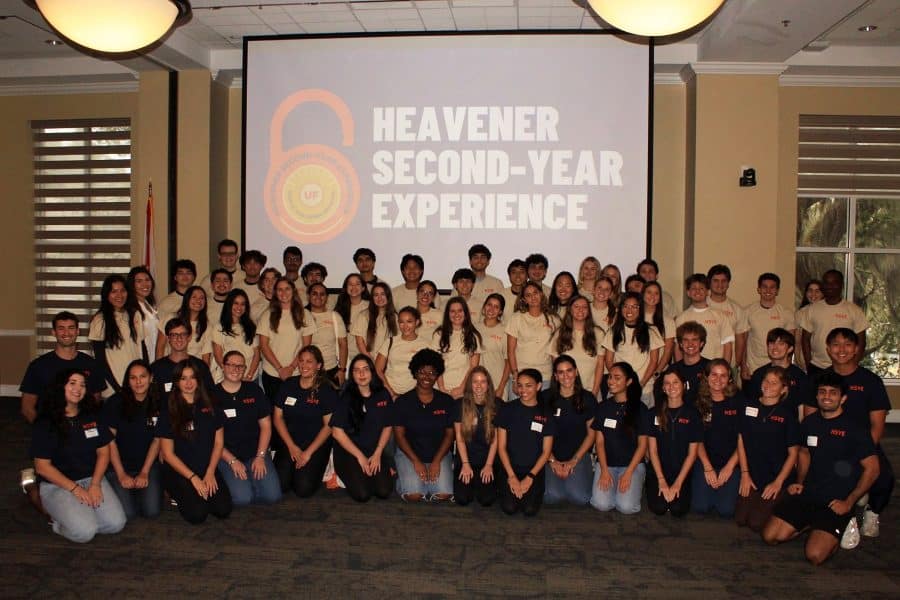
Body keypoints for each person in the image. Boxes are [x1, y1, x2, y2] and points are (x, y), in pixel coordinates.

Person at [762, 371, 879, 566]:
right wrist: (799, 483)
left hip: (837, 501)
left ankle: (848, 521)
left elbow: (873, 469)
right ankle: (810, 525)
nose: (826, 396)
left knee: (815, 556)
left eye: (833, 393)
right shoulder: (810, 423)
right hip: (810, 494)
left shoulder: (855, 428)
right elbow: (804, 453)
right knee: (770, 536)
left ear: (843, 398)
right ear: (816, 396)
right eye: (822, 392)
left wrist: (849, 501)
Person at [802, 328, 893, 538]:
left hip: (861, 445)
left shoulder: (871, 381)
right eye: (835, 344)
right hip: (827, 445)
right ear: (828, 349)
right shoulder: (819, 379)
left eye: (847, 345)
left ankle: (872, 511)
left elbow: (877, 426)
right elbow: (810, 421)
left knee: (883, 475)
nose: (841, 350)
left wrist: (858, 456)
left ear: (856, 349)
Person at [30, 369, 127, 542]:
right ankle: (52, 516)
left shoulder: (91, 416)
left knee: (116, 524)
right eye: (72, 383)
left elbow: (104, 451)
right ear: (61, 387)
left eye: (82, 385)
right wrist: (75, 489)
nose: (78, 388)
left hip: (91, 478)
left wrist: (96, 484)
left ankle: (78, 514)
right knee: (84, 532)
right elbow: (42, 467)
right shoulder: (45, 422)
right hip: (58, 484)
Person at [157, 360, 233, 524]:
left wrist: (211, 471)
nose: (189, 383)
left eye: (192, 377)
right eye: (183, 378)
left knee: (223, 510)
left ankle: (198, 494)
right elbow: (168, 455)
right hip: (181, 471)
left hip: (206, 468)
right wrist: (193, 478)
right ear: (177, 382)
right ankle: (175, 492)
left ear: (199, 380)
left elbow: (218, 443)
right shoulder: (168, 410)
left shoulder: (210, 404)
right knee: (197, 515)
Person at [736, 366, 800, 532]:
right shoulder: (748, 407)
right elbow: (741, 441)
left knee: (755, 523)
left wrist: (778, 482)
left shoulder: (787, 415)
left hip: (777, 476)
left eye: (774, 383)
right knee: (741, 519)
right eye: (766, 380)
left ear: (783, 389)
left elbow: (793, 454)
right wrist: (744, 474)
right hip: (753, 474)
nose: (768, 385)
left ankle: (786, 496)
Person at [212, 351, 281, 506]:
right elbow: (210, 436)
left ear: (244, 369)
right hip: (226, 455)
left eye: (240, 366)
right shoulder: (212, 395)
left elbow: (266, 426)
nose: (235, 369)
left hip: (255, 453)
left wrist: (261, 456)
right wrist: (232, 461)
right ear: (223, 366)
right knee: (243, 499)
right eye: (231, 365)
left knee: (273, 497)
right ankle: (232, 481)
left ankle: (247, 481)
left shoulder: (254, 390)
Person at [272, 345, 336, 497]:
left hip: (314, 445)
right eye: (301, 361)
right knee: (280, 485)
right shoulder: (288, 385)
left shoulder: (326, 390)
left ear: (318, 366)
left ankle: (322, 466)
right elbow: (277, 417)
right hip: (290, 442)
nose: (304, 365)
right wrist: (291, 446)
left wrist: (308, 453)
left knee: (303, 489)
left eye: (309, 362)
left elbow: (329, 426)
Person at [392, 349, 455, 502]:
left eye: (432, 373)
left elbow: (449, 435)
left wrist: (436, 462)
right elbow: (399, 436)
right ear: (415, 373)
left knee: (443, 495)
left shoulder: (446, 401)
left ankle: (423, 480)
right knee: (414, 495)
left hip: (438, 454)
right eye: (422, 372)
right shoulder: (403, 402)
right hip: (410, 454)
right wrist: (416, 462)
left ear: (437, 375)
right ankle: (404, 480)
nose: (427, 377)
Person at [20, 311, 104, 424]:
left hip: (80, 427)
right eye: (61, 328)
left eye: (71, 328)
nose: (66, 333)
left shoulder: (91, 364)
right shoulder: (38, 365)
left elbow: (95, 401)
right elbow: (27, 407)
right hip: (50, 428)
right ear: (53, 332)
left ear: (77, 331)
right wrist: (43, 430)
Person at [330, 354, 394, 502]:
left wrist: (378, 453)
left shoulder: (383, 394)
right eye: (356, 370)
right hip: (349, 451)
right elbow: (337, 433)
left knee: (383, 491)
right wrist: (360, 457)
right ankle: (342, 474)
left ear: (372, 372)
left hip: (373, 449)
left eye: (365, 369)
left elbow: (388, 425)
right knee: (363, 495)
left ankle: (369, 473)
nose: (361, 374)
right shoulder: (346, 396)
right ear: (351, 375)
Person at [103, 359, 162, 520]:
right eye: (133, 378)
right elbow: (110, 441)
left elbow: (157, 441)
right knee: (128, 513)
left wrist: (144, 472)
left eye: (142, 377)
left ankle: (139, 489)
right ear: (127, 380)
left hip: (148, 465)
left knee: (152, 512)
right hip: (119, 466)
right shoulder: (115, 403)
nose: (138, 382)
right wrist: (121, 474)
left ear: (150, 378)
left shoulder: (159, 402)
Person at [495, 369, 555, 516]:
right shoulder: (507, 409)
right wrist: (511, 476)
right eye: (520, 385)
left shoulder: (546, 413)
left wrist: (530, 477)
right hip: (510, 467)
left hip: (533, 469)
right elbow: (501, 447)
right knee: (509, 508)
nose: (523, 390)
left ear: (539, 386)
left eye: (529, 385)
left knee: (529, 510)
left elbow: (546, 451)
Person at [591, 362, 648, 514]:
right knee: (601, 505)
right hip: (607, 464)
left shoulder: (640, 408)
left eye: (617, 378)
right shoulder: (603, 407)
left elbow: (643, 445)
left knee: (626, 507)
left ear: (628, 381)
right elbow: (600, 442)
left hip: (632, 466)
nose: (611, 381)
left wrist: (628, 473)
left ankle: (634, 484)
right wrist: (603, 469)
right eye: (610, 377)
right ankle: (617, 490)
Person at [645, 368, 702, 517]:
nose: (672, 387)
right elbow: (652, 451)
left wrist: (678, 483)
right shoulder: (654, 413)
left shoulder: (693, 414)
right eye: (667, 383)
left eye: (676, 382)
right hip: (658, 472)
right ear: (663, 388)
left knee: (678, 510)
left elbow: (692, 454)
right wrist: (662, 481)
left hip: (682, 472)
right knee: (659, 508)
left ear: (683, 385)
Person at [691, 359, 742, 518]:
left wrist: (730, 467)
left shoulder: (738, 400)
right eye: (714, 374)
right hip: (705, 460)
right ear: (706, 377)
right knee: (700, 507)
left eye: (723, 376)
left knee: (726, 511)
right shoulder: (697, 400)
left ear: (730, 379)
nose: (718, 380)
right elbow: (696, 438)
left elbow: (745, 438)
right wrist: (707, 467)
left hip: (731, 462)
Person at [542, 355, 595, 506]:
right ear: (555, 376)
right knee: (552, 497)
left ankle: (577, 475)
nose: (566, 376)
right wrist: (551, 460)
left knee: (580, 498)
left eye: (569, 371)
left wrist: (574, 461)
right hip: (550, 456)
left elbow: (591, 434)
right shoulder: (545, 398)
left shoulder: (588, 398)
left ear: (576, 372)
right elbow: (539, 433)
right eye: (560, 372)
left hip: (577, 456)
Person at [799, 270, 868, 376]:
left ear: (841, 285)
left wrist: (853, 364)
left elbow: (861, 342)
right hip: (817, 367)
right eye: (826, 283)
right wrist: (809, 364)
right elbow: (805, 339)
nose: (830, 286)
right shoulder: (812, 309)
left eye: (834, 283)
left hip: (845, 368)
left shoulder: (854, 310)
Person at [257, 277, 316, 398]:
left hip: (297, 372)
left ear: (293, 291)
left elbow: (306, 346)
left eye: (287, 289)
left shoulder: (305, 314)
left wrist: (291, 367)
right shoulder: (267, 315)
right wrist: (279, 369)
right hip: (272, 373)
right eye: (279, 290)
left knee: (295, 412)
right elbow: (263, 345)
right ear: (275, 292)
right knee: (275, 412)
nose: (283, 293)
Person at [88, 274, 145, 396]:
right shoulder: (100, 320)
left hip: (137, 384)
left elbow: (142, 348)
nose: (119, 295)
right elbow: (100, 361)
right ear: (106, 294)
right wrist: (117, 388)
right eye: (114, 291)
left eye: (122, 291)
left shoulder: (135, 315)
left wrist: (146, 376)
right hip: (114, 387)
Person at [602, 292, 663, 405]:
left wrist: (642, 383)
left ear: (640, 309)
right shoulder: (613, 331)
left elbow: (654, 361)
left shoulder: (651, 331)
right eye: (626, 306)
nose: (629, 310)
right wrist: (619, 381)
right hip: (618, 390)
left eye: (634, 307)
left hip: (643, 389)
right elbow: (609, 361)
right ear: (620, 309)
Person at [736, 273, 796, 384]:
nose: (768, 290)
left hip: (779, 369)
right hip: (753, 368)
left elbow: (791, 343)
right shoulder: (748, 312)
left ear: (777, 291)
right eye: (764, 286)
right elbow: (743, 341)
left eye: (772, 287)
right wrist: (743, 366)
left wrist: (788, 367)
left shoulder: (786, 313)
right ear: (759, 289)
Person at [453, 367, 499, 507]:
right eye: (475, 382)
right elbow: (459, 439)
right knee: (462, 499)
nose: (479, 386)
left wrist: (489, 465)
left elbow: (496, 440)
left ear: (488, 384)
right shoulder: (459, 405)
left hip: (488, 460)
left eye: (483, 381)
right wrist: (465, 465)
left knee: (487, 501)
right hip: (466, 459)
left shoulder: (498, 405)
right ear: (469, 384)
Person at [506, 281, 559, 391]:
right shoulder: (516, 318)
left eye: (535, 293)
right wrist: (515, 377)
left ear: (541, 294)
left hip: (545, 375)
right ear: (524, 299)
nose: (533, 297)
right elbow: (510, 351)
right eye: (528, 295)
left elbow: (556, 350)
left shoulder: (553, 319)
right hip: (521, 375)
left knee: (543, 408)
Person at [747, 328, 810, 417]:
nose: (775, 347)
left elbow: (802, 408)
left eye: (781, 344)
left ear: (790, 349)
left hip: (789, 426)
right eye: (772, 343)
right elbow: (751, 404)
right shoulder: (759, 374)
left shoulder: (799, 376)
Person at [550, 295, 604, 396]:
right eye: (576, 306)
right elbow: (556, 365)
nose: (580, 310)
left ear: (589, 311)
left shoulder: (598, 333)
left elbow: (600, 365)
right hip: (566, 392)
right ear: (570, 310)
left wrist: (595, 391)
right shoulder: (559, 333)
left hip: (591, 391)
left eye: (584, 307)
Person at [675, 273, 734, 363]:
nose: (698, 291)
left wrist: (725, 368)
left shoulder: (720, 316)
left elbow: (727, 345)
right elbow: (677, 347)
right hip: (689, 367)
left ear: (707, 292)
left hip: (714, 369)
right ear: (688, 293)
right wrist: (679, 369)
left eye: (701, 288)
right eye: (694, 288)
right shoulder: (681, 318)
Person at [432, 297, 483, 397]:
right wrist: (442, 388)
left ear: (465, 313)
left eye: (460, 311)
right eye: (452, 311)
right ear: (447, 314)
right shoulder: (439, 334)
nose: (456, 314)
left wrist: (461, 388)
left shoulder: (473, 336)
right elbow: (435, 363)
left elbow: (473, 367)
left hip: (464, 390)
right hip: (440, 389)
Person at [150, 318, 215, 395]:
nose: (179, 338)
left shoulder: (200, 366)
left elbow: (210, 396)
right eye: (174, 335)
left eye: (183, 334)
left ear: (189, 337)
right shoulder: (157, 368)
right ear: (168, 338)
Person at [375, 306, 429, 399]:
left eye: (409, 321)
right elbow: (378, 369)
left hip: (413, 396)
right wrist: (391, 392)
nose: (405, 326)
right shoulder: (390, 341)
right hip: (388, 393)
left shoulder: (425, 345)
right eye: (401, 322)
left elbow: (426, 374)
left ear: (417, 322)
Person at [211, 289, 260, 384]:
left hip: (250, 378)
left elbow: (256, 355)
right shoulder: (219, 327)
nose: (239, 307)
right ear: (229, 305)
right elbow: (218, 355)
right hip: (229, 378)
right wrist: (232, 375)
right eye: (235, 303)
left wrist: (249, 375)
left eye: (242, 304)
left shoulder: (251, 326)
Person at [155, 285, 212, 363]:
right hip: (170, 366)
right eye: (194, 297)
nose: (198, 301)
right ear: (187, 299)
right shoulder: (171, 317)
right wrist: (158, 368)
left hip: (193, 370)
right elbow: (160, 346)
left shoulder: (206, 326)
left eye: (202, 298)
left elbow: (206, 356)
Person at [307, 282, 348, 387]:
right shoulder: (302, 315)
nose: (318, 297)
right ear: (308, 296)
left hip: (331, 370)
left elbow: (343, 344)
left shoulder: (334, 316)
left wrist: (342, 370)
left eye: (322, 294)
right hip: (307, 370)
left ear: (327, 297)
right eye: (314, 293)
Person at [350, 281, 398, 360]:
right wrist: (371, 361)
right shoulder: (363, 315)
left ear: (388, 296)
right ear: (372, 298)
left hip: (389, 363)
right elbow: (360, 342)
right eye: (376, 295)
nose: (379, 298)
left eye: (383, 294)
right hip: (370, 361)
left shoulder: (395, 317)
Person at [476, 293, 510, 400]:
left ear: (500, 312)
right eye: (489, 305)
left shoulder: (505, 330)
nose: (491, 309)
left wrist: (501, 388)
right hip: (476, 384)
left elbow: (508, 362)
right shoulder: (474, 328)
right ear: (484, 307)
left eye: (496, 307)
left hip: (496, 384)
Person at [706, 264, 745, 352]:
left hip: (729, 363)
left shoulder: (737, 309)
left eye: (724, 281)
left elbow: (740, 340)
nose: (720, 284)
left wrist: (736, 363)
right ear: (709, 282)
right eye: (716, 280)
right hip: (705, 361)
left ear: (728, 284)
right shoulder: (701, 305)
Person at [670, 322, 710, 406]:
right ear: (680, 344)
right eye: (686, 340)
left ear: (702, 343)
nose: (690, 344)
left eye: (694, 340)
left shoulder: (711, 367)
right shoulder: (673, 370)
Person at [128, 266, 159, 363]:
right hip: (140, 360)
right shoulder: (130, 309)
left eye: (147, 280)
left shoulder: (150, 306)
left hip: (154, 358)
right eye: (139, 281)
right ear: (132, 285)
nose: (144, 284)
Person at [643, 281, 675, 373]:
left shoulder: (668, 321)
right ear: (643, 294)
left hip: (658, 371)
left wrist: (657, 372)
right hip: (637, 371)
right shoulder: (635, 318)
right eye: (649, 292)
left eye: (656, 293)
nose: (652, 296)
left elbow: (667, 351)